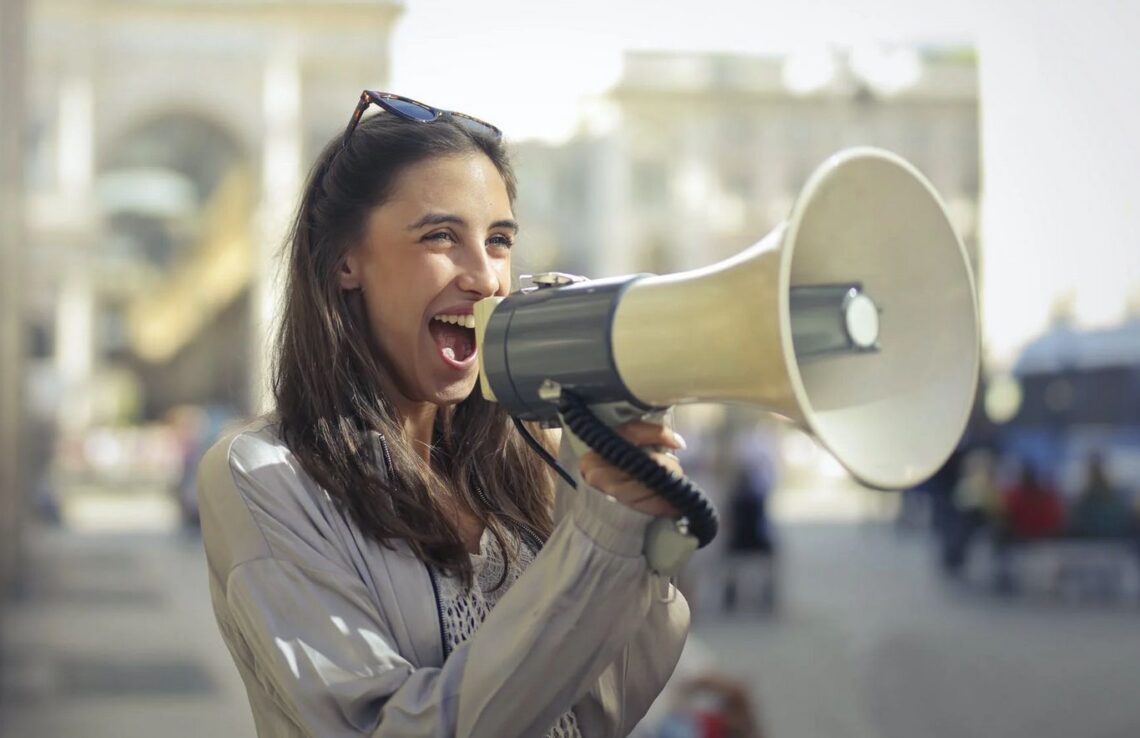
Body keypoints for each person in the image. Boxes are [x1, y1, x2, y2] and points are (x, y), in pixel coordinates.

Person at [197, 91, 691, 738]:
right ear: (346, 261)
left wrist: (629, 527)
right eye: (441, 236)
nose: (486, 278)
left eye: (500, 241)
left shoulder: (529, 456)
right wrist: (593, 548)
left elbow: (594, 711)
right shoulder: (264, 477)